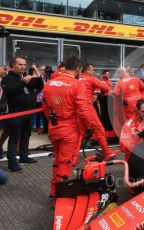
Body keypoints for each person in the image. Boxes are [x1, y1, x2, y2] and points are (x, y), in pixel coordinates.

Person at [42, 56, 93, 197]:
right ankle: (59, 194)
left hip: (54, 126)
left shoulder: (49, 83)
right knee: (65, 162)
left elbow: (45, 107)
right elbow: (83, 111)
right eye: (80, 71)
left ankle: (54, 190)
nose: (80, 73)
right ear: (77, 69)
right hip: (69, 127)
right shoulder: (77, 85)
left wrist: (53, 121)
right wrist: (88, 127)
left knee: (57, 159)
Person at [2, 56, 44, 172]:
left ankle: (24, 157)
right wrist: (23, 83)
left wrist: (38, 75)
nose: (23, 66)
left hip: (29, 112)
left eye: (24, 64)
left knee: (26, 135)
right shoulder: (7, 78)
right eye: (20, 64)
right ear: (13, 65)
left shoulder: (26, 76)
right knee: (14, 137)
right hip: (16, 113)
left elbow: (40, 87)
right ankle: (12, 162)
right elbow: (10, 92)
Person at [79, 63, 113, 159]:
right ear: (87, 71)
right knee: (99, 129)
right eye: (92, 70)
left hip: (76, 108)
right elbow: (106, 88)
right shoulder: (91, 79)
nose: (93, 72)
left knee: (79, 133)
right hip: (87, 107)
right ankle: (107, 153)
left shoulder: (75, 78)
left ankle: (72, 158)